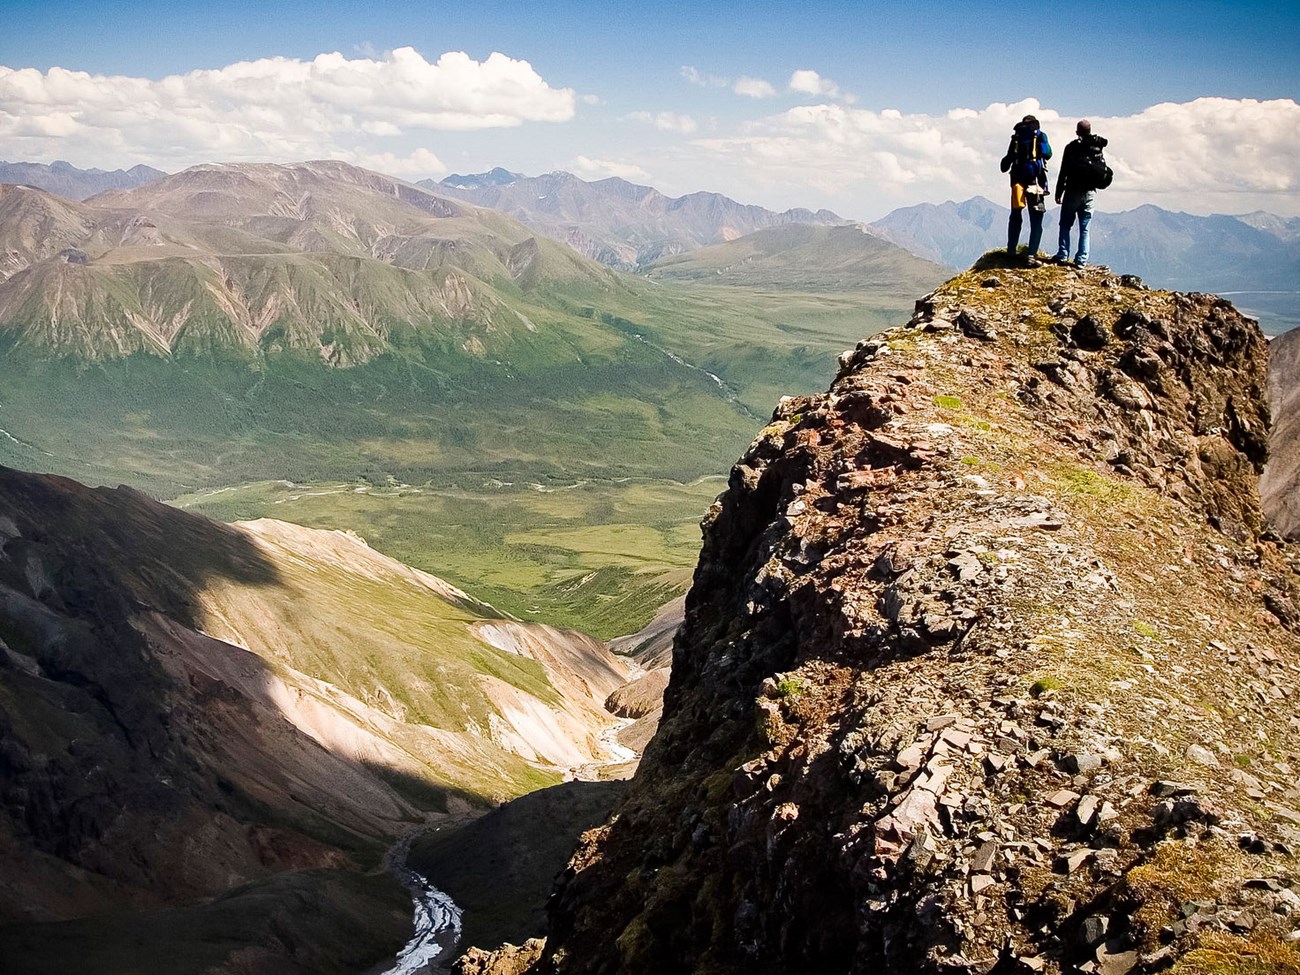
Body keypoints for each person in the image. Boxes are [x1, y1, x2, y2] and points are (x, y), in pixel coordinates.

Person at [1053, 119, 1108, 267]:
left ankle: (1063, 255)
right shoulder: (1097, 148)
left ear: (1077, 132)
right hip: (1090, 192)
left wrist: (1058, 192)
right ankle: (1081, 260)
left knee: (1065, 224)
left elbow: (1063, 170)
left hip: (1072, 191)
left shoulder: (1071, 148)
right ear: (1090, 131)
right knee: (1085, 228)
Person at [1000, 115, 1052, 266]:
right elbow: (1048, 153)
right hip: (1035, 182)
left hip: (1017, 181)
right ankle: (1031, 255)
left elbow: (1009, 157)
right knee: (1036, 219)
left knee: (1016, 214)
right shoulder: (1040, 136)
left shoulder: (1016, 137)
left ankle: (1011, 250)